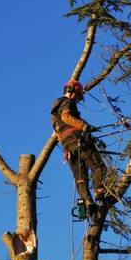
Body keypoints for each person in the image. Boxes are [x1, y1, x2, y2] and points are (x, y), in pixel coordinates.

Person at [51, 79, 107, 215]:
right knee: (98, 166)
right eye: (78, 95)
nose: (78, 99)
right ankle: (99, 190)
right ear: (71, 91)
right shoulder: (67, 103)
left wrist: (87, 127)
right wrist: (84, 127)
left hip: (67, 146)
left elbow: (59, 132)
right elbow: (67, 117)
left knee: (80, 177)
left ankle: (88, 202)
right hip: (77, 139)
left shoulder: (54, 112)